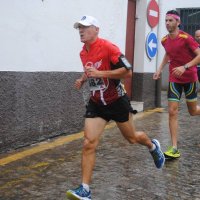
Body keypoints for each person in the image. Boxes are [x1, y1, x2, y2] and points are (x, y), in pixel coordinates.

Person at [66, 15, 165, 200]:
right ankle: (85, 189)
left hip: (117, 101)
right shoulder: (83, 52)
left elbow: (128, 71)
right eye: (79, 27)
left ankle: (153, 146)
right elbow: (90, 70)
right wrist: (83, 79)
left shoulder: (109, 47)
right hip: (97, 104)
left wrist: (101, 73)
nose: (81, 30)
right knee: (88, 143)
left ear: (96, 29)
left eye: (85, 27)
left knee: (132, 138)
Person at [153, 10, 200, 159]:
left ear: (178, 22)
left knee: (192, 111)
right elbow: (168, 53)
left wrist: (185, 66)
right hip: (174, 79)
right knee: (172, 111)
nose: (167, 23)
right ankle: (174, 148)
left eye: (171, 20)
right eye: (166, 21)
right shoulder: (164, 40)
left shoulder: (187, 38)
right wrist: (159, 69)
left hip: (189, 78)